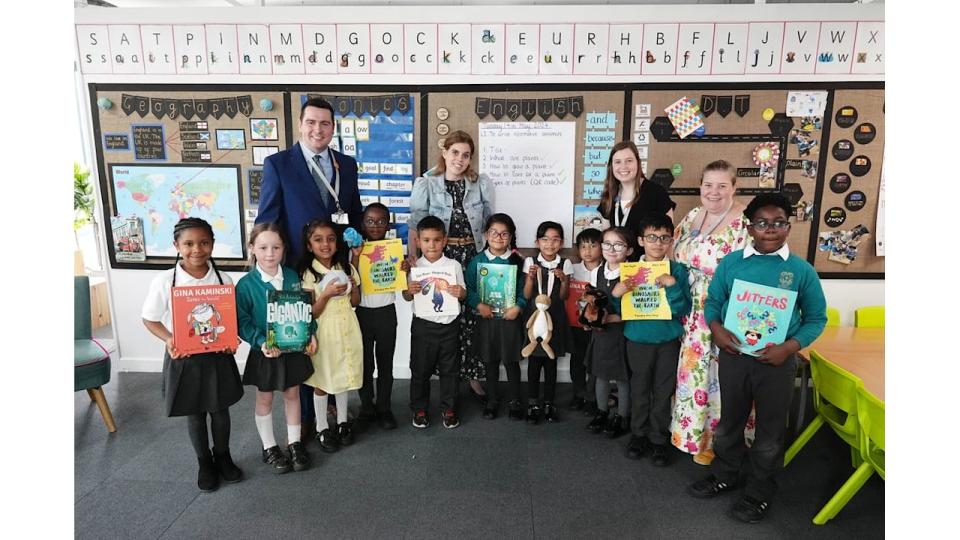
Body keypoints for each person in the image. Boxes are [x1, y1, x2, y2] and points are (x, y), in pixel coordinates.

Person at [687, 193, 827, 524]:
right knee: (730, 421)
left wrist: (790, 347)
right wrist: (717, 329)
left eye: (779, 222)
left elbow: (816, 319)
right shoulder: (732, 263)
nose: (770, 229)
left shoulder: (800, 270)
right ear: (750, 228)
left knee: (770, 431)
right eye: (762, 223)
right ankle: (726, 473)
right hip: (735, 358)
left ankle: (760, 489)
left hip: (775, 364)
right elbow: (713, 302)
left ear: (788, 226)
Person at [256, 97, 362, 437]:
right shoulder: (278, 164)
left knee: (331, 339)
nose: (318, 129)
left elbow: (354, 215)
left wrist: (359, 251)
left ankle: (331, 406)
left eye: (325, 124)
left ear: (333, 128)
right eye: (311, 122)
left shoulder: (346, 163)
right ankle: (305, 419)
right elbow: (268, 219)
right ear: (300, 125)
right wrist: (268, 265)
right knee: (302, 340)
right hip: (296, 269)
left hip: (336, 265)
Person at [141, 218, 244, 492]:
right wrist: (169, 339)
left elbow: (228, 318)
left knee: (220, 411)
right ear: (176, 245)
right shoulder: (165, 281)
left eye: (204, 243)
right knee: (195, 413)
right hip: (184, 357)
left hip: (218, 355)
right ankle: (204, 462)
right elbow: (149, 319)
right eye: (188, 243)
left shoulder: (224, 279)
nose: (196, 249)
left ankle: (223, 455)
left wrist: (231, 338)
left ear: (212, 244)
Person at [670, 160, 752, 465]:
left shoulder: (744, 223)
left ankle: (721, 443)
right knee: (692, 375)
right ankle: (694, 437)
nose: (713, 192)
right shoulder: (693, 215)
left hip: (721, 309)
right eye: (708, 185)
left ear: (734, 188)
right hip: (687, 310)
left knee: (719, 377)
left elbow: (752, 273)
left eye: (721, 186)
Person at [410, 131, 494, 403]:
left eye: (466, 154)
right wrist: (414, 262)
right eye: (455, 152)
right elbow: (416, 226)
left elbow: (490, 222)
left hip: (473, 254)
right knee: (446, 314)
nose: (460, 159)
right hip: (440, 257)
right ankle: (449, 373)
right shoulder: (426, 184)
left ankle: (472, 374)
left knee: (473, 316)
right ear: (444, 152)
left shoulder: (480, 183)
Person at [235, 223, 316, 474]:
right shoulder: (246, 285)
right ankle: (269, 446)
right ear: (252, 249)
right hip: (265, 352)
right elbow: (242, 321)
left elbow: (304, 310)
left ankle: (294, 443)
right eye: (263, 247)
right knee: (265, 398)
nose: (270, 253)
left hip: (292, 350)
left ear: (284, 249)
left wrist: (310, 333)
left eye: (276, 247)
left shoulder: (292, 276)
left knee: (293, 395)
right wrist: (261, 342)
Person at [611, 214, 691, 467]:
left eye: (664, 238)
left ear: (671, 241)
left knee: (663, 391)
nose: (658, 243)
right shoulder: (631, 269)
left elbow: (683, 308)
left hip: (667, 341)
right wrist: (616, 294)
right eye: (652, 238)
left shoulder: (677, 270)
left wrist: (673, 285)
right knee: (640, 389)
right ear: (641, 240)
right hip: (637, 339)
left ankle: (659, 439)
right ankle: (639, 434)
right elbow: (623, 309)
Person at [299, 220, 363, 453]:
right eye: (318, 239)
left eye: (331, 238)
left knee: (343, 376)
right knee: (323, 381)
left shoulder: (346, 268)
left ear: (337, 243)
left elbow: (355, 302)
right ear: (309, 245)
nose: (325, 244)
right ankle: (322, 427)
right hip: (324, 331)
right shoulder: (309, 274)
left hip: (348, 328)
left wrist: (354, 286)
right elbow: (310, 312)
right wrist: (325, 295)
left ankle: (343, 422)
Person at [402, 216, 467, 429]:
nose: (432, 245)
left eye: (437, 240)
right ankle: (419, 409)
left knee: (450, 370)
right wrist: (409, 290)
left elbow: (463, 292)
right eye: (427, 240)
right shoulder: (412, 266)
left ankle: (449, 409)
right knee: (420, 369)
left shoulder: (453, 265)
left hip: (449, 325)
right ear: (418, 241)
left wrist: (460, 292)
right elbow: (407, 296)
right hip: (423, 326)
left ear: (445, 240)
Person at [465, 213, 527, 421]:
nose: (498, 237)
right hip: (487, 321)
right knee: (490, 362)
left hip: (509, 321)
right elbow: (469, 290)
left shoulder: (517, 261)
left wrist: (518, 307)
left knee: (511, 362)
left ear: (510, 237)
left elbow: (523, 292)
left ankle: (515, 400)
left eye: (504, 234)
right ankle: (492, 400)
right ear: (485, 234)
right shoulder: (477, 261)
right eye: (493, 232)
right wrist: (478, 304)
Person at [353, 203, 404, 431]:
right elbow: (350, 280)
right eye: (370, 221)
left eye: (381, 221)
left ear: (388, 225)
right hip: (361, 314)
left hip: (386, 312)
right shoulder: (355, 249)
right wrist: (355, 258)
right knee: (364, 364)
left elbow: (402, 282)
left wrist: (405, 268)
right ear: (363, 224)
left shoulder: (394, 249)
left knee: (385, 364)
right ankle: (366, 407)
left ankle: (384, 407)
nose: (375, 226)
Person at [521, 221, 573, 424]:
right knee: (534, 364)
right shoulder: (530, 261)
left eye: (555, 239)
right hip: (535, 321)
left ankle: (549, 403)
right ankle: (533, 403)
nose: (550, 244)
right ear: (537, 241)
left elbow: (564, 296)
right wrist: (530, 279)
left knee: (551, 365)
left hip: (555, 321)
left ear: (561, 243)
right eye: (545, 239)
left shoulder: (565, 263)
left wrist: (564, 280)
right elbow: (526, 294)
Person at [584, 227, 634, 439]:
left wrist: (612, 318)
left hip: (622, 331)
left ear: (629, 250)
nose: (611, 249)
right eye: (607, 244)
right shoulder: (597, 271)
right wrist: (588, 315)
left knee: (623, 377)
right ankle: (602, 411)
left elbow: (638, 308)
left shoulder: (633, 272)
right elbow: (594, 299)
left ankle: (623, 416)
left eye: (619, 245)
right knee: (601, 373)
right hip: (601, 333)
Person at [597, 141, 675, 249]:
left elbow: (668, 237)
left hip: (647, 264)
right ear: (611, 166)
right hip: (617, 263)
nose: (623, 166)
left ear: (638, 163)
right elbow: (606, 238)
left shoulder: (656, 192)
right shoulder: (609, 195)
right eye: (618, 162)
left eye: (629, 161)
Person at [568, 228, 603, 414]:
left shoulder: (607, 270)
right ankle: (578, 393)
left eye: (592, 245)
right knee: (578, 361)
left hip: (598, 327)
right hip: (576, 325)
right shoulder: (573, 270)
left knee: (595, 362)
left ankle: (592, 396)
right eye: (583, 246)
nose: (587, 251)